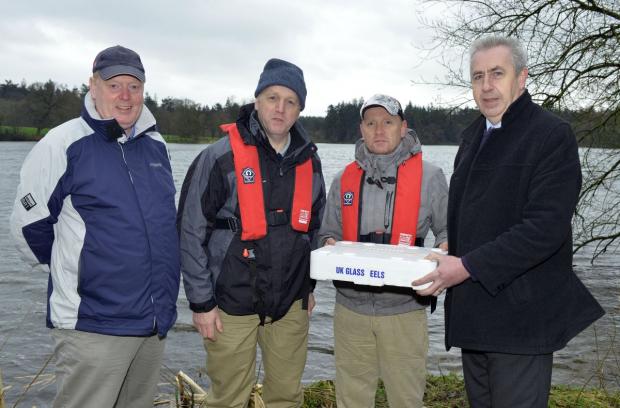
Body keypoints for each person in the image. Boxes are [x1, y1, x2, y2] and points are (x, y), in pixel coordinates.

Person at [413, 35, 605, 407]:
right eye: (477, 76)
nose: (486, 86)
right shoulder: (472, 137)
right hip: (475, 318)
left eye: (497, 74)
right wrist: (453, 247)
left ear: (522, 78)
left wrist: (466, 265)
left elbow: (544, 230)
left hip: (522, 320)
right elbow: (478, 213)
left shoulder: (550, 135)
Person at [9, 45, 180, 408]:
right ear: (93, 85)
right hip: (94, 323)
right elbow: (28, 226)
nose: (125, 96)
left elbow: (163, 225)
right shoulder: (64, 142)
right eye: (114, 84)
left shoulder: (156, 145)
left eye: (134, 86)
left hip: (152, 322)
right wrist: (74, 271)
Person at [177, 58, 326, 408]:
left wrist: (310, 287)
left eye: (291, 101)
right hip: (229, 304)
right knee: (227, 399)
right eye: (272, 97)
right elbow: (188, 231)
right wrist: (201, 303)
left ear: (300, 109)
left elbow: (316, 230)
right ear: (257, 100)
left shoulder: (311, 161)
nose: (280, 108)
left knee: (287, 396)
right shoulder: (218, 157)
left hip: (290, 304)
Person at [318, 93, 448, 407]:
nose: (379, 130)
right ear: (361, 129)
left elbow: (448, 232)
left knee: (406, 399)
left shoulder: (430, 177)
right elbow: (327, 233)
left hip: (404, 311)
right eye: (371, 123)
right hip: (350, 311)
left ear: (403, 128)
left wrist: (443, 252)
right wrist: (328, 246)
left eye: (387, 122)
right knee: (351, 399)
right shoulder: (342, 179)